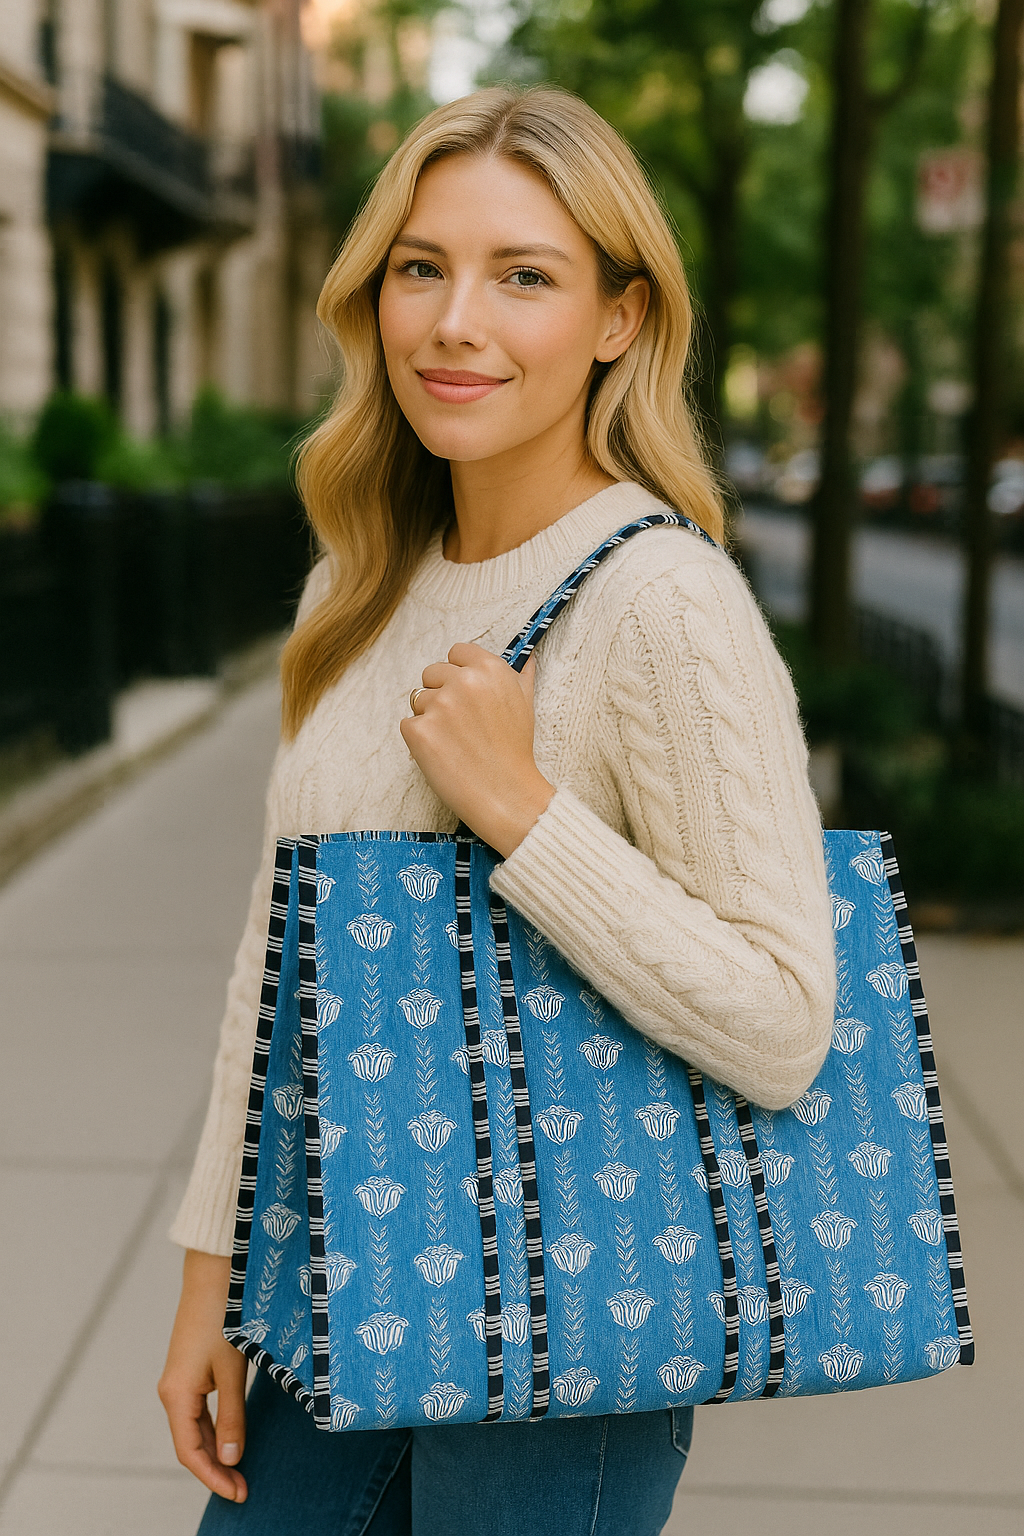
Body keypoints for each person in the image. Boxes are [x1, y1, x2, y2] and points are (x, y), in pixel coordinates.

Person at [159, 85, 836, 1535]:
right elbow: (271, 966)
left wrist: (525, 813)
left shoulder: (663, 600)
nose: (453, 321)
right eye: (422, 267)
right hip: (342, 1271)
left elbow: (785, 1021)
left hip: (575, 1309)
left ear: (620, 319)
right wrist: (213, 1273)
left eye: (522, 275)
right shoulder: (362, 586)